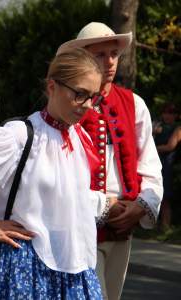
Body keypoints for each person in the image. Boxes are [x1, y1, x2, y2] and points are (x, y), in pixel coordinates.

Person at [0, 48, 108, 299]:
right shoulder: (18, 136)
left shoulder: (81, 139)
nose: (88, 105)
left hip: (74, 271)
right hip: (22, 270)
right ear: (52, 87)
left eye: (93, 97)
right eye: (80, 94)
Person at [57, 22, 163, 300]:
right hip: (81, 225)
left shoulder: (134, 104)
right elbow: (60, 172)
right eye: (100, 55)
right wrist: (103, 208)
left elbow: (150, 163)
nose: (110, 62)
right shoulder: (68, 107)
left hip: (124, 225)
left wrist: (142, 206)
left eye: (114, 54)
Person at [154, 103, 180, 230]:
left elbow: (170, 146)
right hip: (154, 162)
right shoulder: (158, 125)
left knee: (165, 196)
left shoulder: (178, 128)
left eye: (171, 113)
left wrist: (152, 149)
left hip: (167, 164)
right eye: (165, 112)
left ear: (176, 115)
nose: (167, 115)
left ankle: (165, 226)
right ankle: (151, 226)